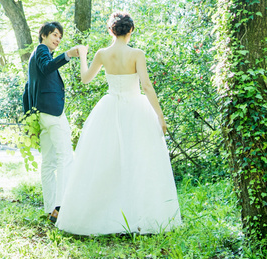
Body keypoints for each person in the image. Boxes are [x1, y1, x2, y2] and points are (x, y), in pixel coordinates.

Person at [56, 12, 182, 235]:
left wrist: (83, 55)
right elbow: (146, 86)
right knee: (139, 161)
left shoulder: (103, 53)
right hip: (136, 109)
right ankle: (138, 217)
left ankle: (107, 216)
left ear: (110, 31)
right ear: (130, 30)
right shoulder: (137, 54)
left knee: (107, 161)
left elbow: (85, 78)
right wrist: (160, 117)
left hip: (110, 108)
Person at [22, 21, 86, 224]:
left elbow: (26, 91)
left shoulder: (36, 55)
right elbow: (48, 67)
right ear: (43, 35)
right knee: (65, 157)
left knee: (49, 163)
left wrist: (29, 119)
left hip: (41, 115)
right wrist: (68, 55)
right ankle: (61, 206)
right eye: (54, 35)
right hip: (52, 112)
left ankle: (50, 208)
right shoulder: (41, 51)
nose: (57, 39)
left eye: (60, 37)